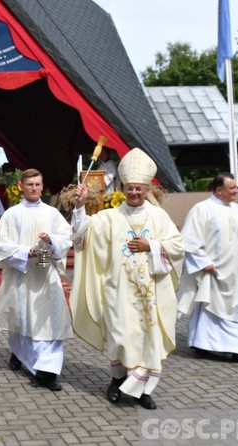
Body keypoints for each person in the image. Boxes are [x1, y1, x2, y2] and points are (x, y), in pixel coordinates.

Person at [69, 148, 183, 410]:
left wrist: (151, 245)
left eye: (139, 189)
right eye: (130, 188)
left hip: (150, 294)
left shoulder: (158, 216)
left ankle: (143, 391)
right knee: (120, 337)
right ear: (122, 187)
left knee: (147, 338)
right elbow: (81, 234)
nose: (134, 192)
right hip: (118, 292)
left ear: (147, 189)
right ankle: (117, 379)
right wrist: (79, 205)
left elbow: (177, 245)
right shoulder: (111, 216)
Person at [0, 169, 73, 391]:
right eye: (30, 185)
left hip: (46, 276)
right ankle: (21, 354)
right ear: (21, 186)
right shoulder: (11, 215)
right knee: (23, 320)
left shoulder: (52, 213)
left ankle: (46, 371)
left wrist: (52, 240)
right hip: (21, 275)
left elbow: (66, 239)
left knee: (51, 322)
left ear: (42, 185)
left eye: (37, 184)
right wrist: (25, 252)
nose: (34, 188)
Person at [176, 173, 238, 365]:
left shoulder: (237, 210)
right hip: (213, 271)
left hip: (237, 273)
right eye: (232, 188)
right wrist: (202, 262)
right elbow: (189, 240)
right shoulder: (202, 210)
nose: (237, 190)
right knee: (210, 309)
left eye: (236, 187)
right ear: (219, 190)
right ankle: (203, 345)